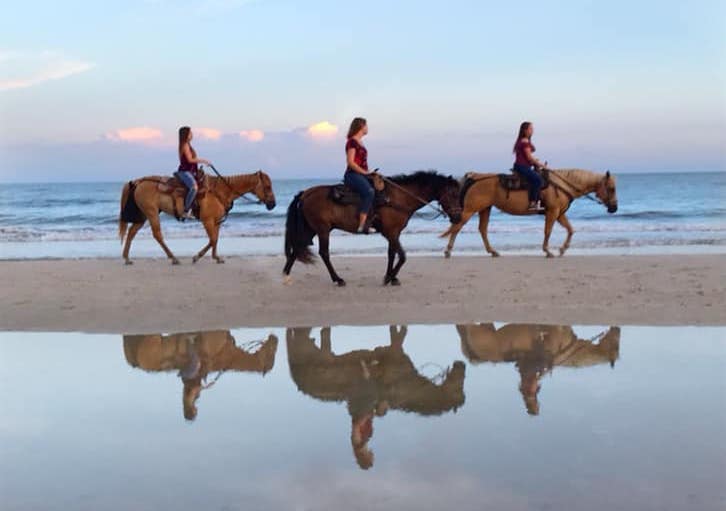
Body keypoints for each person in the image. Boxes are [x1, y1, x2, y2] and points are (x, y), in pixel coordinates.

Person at [344, 117, 375, 233]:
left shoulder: (360, 142)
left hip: (361, 174)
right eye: (366, 125)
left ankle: (373, 220)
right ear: (361, 127)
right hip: (352, 175)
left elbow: (362, 163)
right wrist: (366, 173)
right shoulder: (352, 142)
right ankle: (362, 225)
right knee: (369, 192)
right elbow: (351, 162)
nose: (367, 128)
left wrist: (370, 173)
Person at [177, 126, 211, 219]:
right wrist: (204, 161)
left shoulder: (188, 145)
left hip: (191, 171)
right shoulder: (184, 145)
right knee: (194, 187)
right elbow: (190, 160)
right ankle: (186, 210)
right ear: (186, 134)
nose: (192, 134)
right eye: (190, 133)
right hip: (184, 172)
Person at [513, 121, 546, 211]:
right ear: (525, 130)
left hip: (524, 166)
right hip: (522, 166)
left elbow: (528, 157)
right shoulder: (525, 141)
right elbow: (529, 157)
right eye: (530, 129)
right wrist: (541, 164)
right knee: (538, 179)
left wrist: (535, 162)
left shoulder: (523, 140)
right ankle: (532, 203)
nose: (532, 131)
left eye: (532, 129)